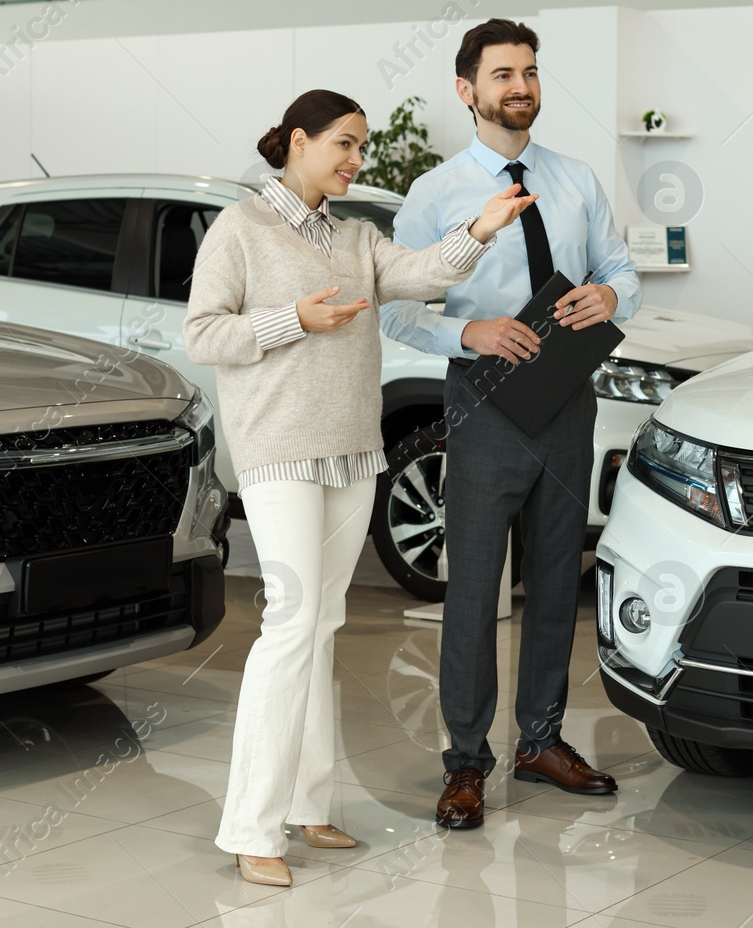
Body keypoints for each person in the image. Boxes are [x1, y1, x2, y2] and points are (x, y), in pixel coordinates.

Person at [183, 89, 533, 886]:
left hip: (349, 453)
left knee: (324, 620)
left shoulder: (355, 236)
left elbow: (419, 273)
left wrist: (480, 227)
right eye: (343, 143)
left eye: (361, 147)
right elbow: (203, 333)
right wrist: (290, 322)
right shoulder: (241, 230)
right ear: (297, 141)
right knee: (293, 620)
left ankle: (310, 805)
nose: (354, 159)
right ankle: (250, 825)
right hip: (278, 453)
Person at [380, 19, 641, 829]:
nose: (519, 86)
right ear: (468, 90)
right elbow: (394, 303)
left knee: (560, 578)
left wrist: (612, 297)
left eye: (528, 71)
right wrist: (470, 331)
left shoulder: (574, 179)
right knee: (475, 586)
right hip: (484, 401)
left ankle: (541, 740)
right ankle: (464, 762)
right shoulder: (436, 193)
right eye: (502, 74)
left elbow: (620, 269)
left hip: (567, 401)